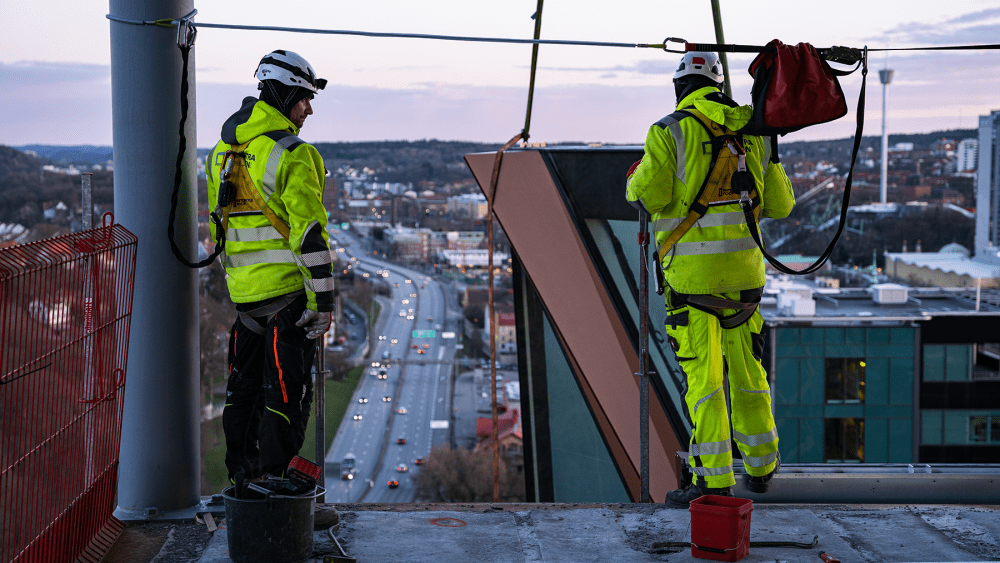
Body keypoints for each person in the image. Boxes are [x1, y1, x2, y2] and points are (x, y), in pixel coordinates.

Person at [625, 51, 795, 508]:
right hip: (745, 283)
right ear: (718, 84)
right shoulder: (753, 130)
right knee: (748, 375)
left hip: (694, 285)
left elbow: (649, 195)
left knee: (705, 383)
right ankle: (761, 469)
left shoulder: (668, 131)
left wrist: (635, 179)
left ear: (680, 86)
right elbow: (780, 206)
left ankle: (713, 482)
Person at [206, 50, 335, 484]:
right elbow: (309, 236)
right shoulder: (293, 153)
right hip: (289, 304)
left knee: (241, 396)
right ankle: (276, 496)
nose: (309, 109)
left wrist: (243, 283)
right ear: (282, 95)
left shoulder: (221, 155)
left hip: (245, 305)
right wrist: (323, 302)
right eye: (303, 98)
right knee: (286, 401)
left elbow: (218, 231)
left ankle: (243, 485)